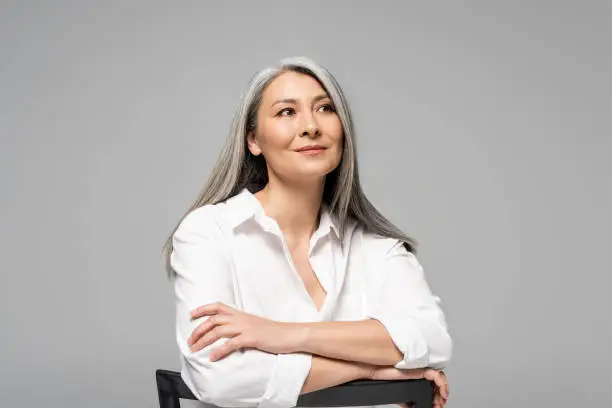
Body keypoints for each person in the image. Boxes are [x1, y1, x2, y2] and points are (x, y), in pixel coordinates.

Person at [162, 56, 453, 408]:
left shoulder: (377, 247)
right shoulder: (208, 232)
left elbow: (432, 339)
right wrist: (368, 368)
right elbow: (218, 378)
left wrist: (282, 335)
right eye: (287, 112)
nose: (310, 126)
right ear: (254, 140)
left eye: (325, 108)